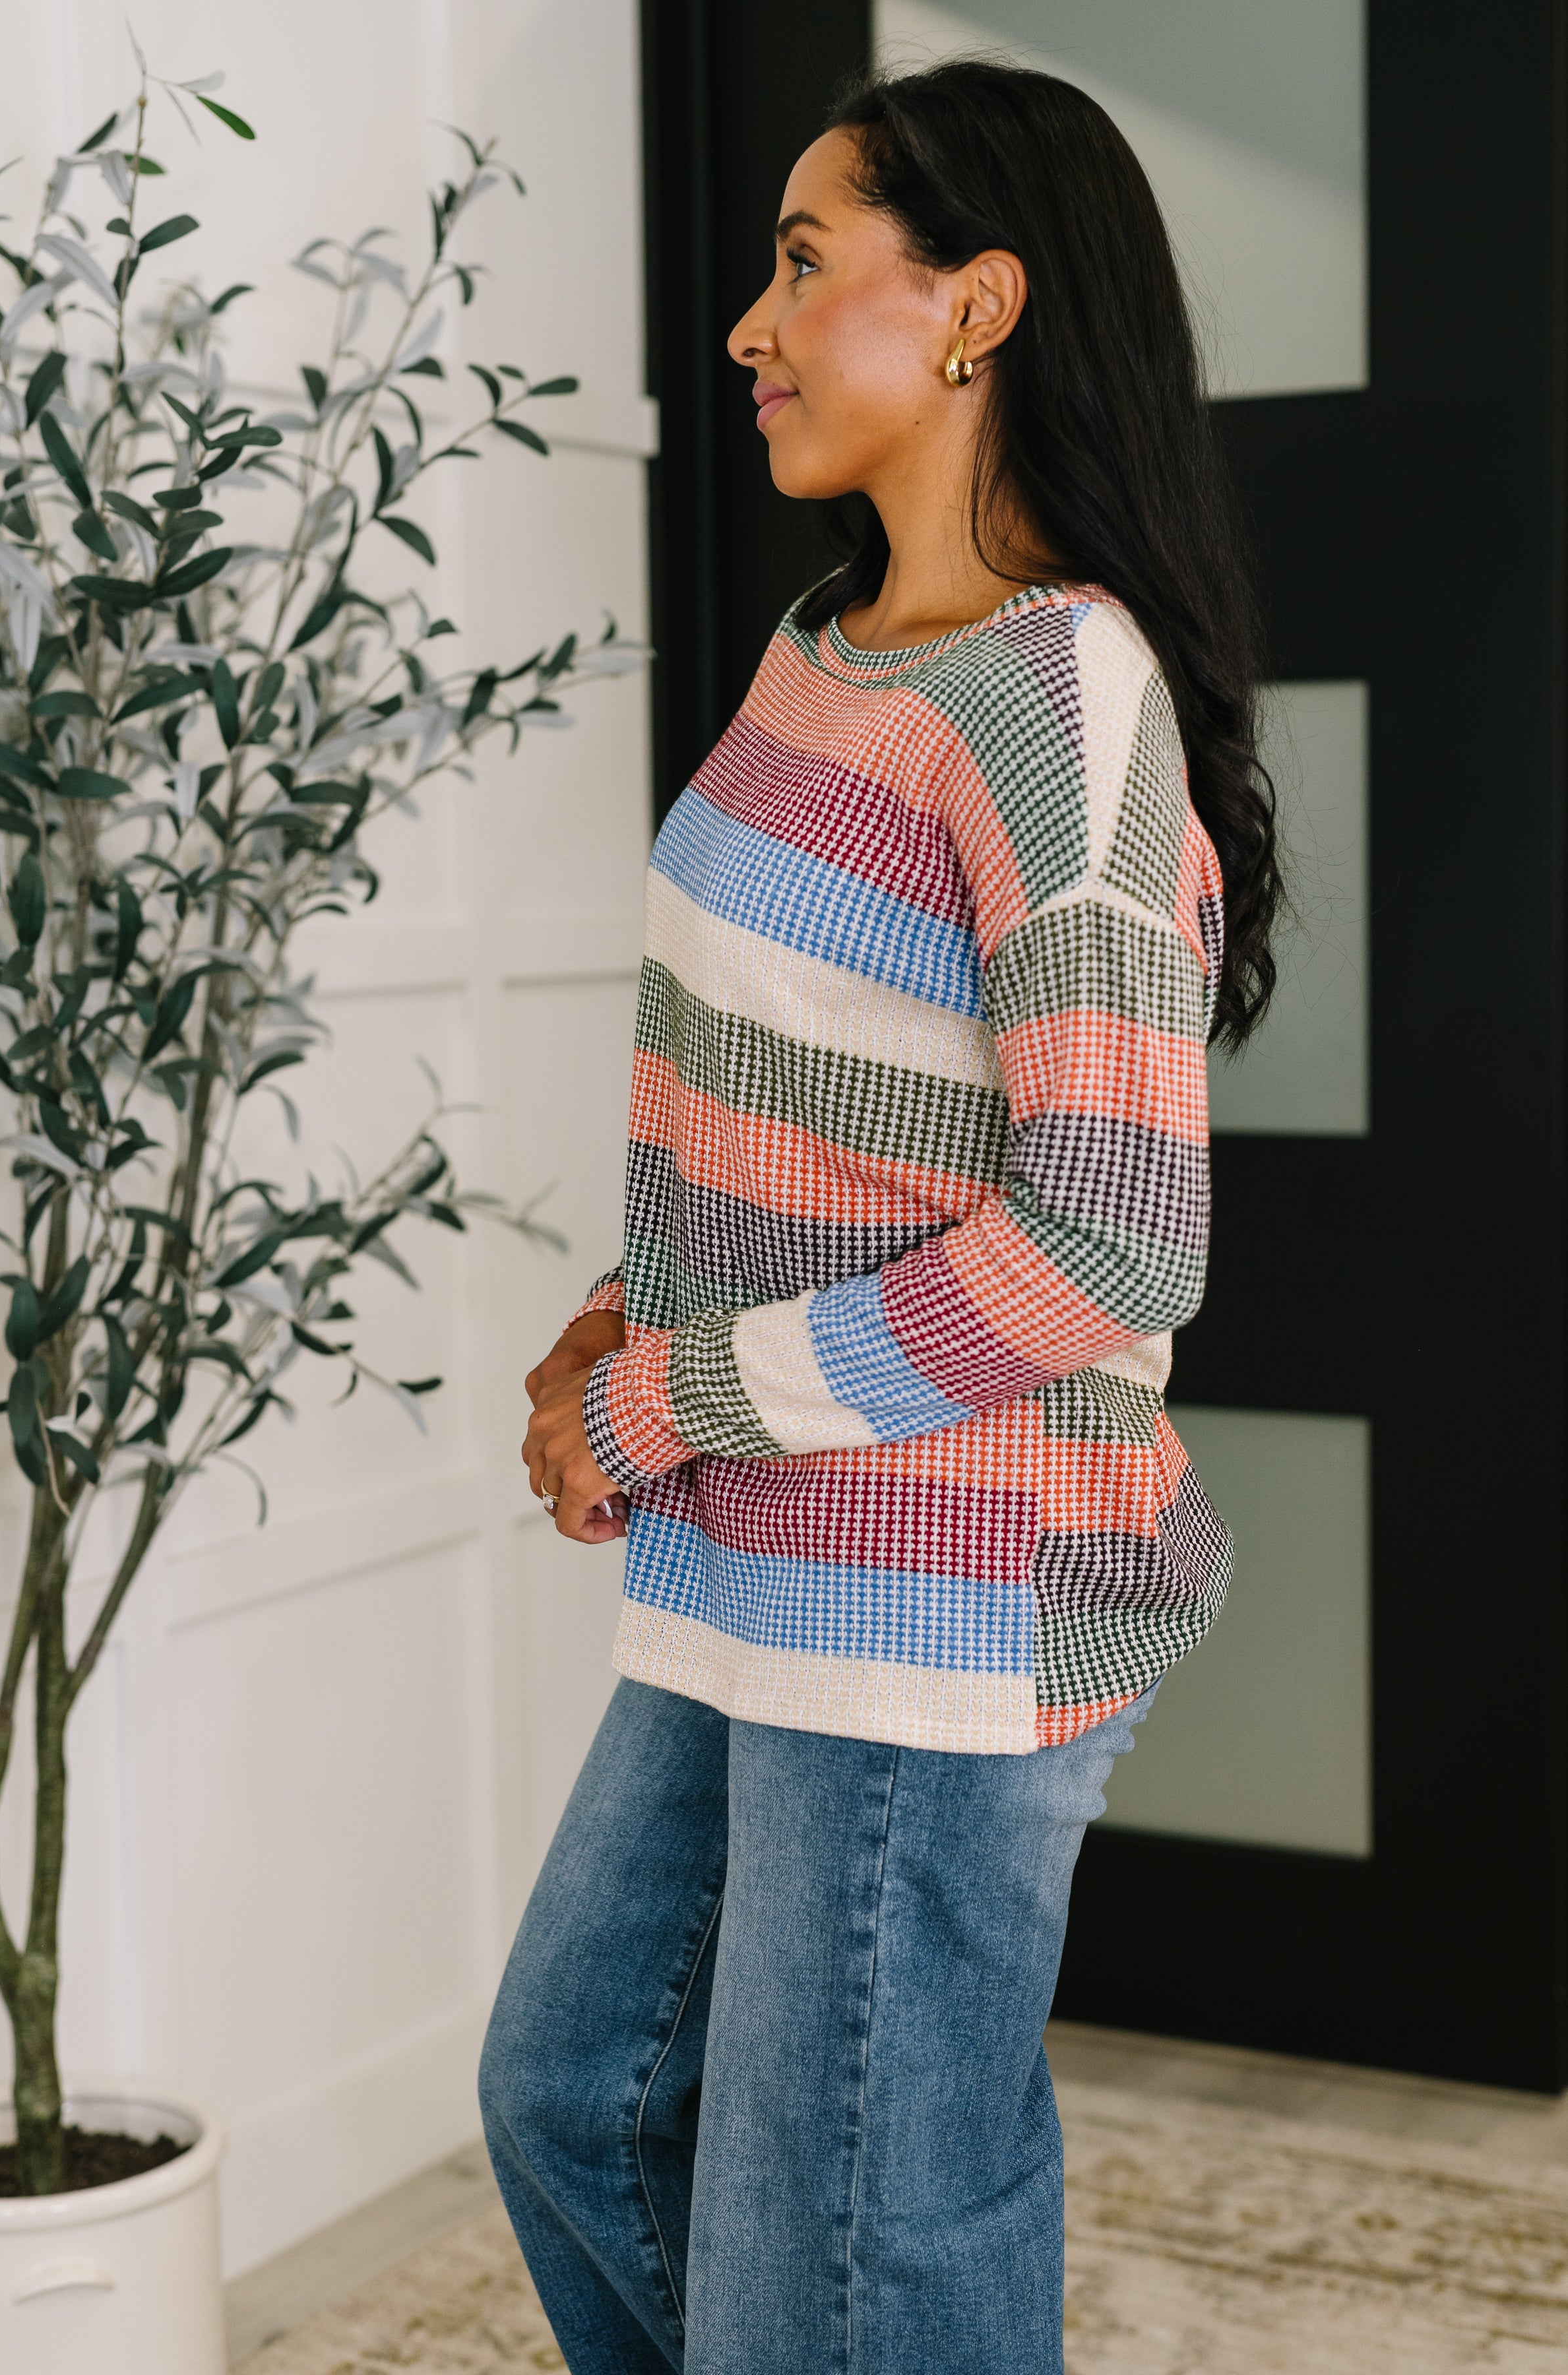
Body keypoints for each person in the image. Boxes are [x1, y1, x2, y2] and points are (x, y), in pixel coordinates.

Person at [481, 58, 1280, 2375]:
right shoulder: (823, 651)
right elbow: (805, 1101)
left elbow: (1110, 1239)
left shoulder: (1060, 699)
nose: (750, 324)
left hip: (942, 1589)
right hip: (754, 1542)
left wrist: (667, 1398)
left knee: (835, 2275)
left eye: (805, 261)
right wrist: (620, 1319)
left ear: (974, 309)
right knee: (576, 2103)